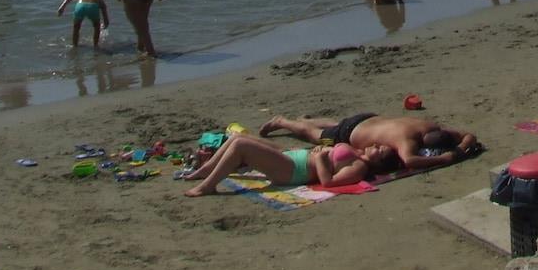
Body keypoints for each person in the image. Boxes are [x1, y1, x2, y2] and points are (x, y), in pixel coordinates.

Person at [179, 133, 390, 196]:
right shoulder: (358, 152)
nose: (376, 145)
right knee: (237, 137)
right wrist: (322, 151)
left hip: (293, 171)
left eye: (380, 150)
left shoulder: (359, 168)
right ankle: (206, 170)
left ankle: (208, 186)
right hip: (294, 157)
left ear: (379, 162)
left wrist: (320, 158)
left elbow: (328, 182)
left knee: (241, 146)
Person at [257, 112, 479, 171]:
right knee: (314, 135)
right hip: (349, 133)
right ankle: (282, 122)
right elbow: (410, 161)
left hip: (368, 120)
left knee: (335, 126)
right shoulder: (408, 141)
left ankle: (306, 120)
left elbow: (469, 135)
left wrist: (461, 146)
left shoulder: (430, 126)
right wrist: (448, 157)